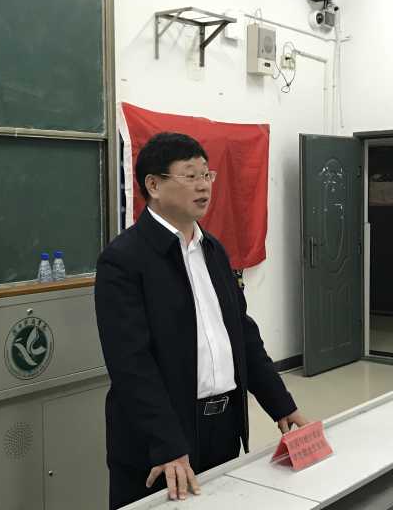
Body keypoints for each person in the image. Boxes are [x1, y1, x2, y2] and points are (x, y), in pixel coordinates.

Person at [95, 132, 307, 509]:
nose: (204, 185)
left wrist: (282, 405)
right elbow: (131, 364)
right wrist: (167, 443)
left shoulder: (213, 250)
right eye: (190, 175)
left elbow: (242, 336)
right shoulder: (123, 260)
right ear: (153, 185)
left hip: (222, 428)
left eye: (207, 175)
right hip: (159, 439)